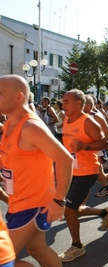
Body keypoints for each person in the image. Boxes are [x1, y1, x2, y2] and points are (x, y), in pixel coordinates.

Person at [0, 74, 73, 266]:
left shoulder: (30, 127)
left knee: (3, 259)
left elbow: (65, 160)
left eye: (0, 94)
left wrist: (59, 200)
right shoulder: (9, 123)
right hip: (18, 202)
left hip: (33, 205)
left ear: (18, 96)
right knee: (36, 248)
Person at [58, 89, 108, 262]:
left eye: (67, 101)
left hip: (87, 171)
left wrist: (84, 146)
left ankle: (77, 246)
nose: (63, 104)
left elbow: (105, 143)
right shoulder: (67, 118)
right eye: (63, 101)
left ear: (78, 104)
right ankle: (104, 212)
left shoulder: (89, 122)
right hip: (72, 170)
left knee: (69, 211)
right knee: (73, 209)